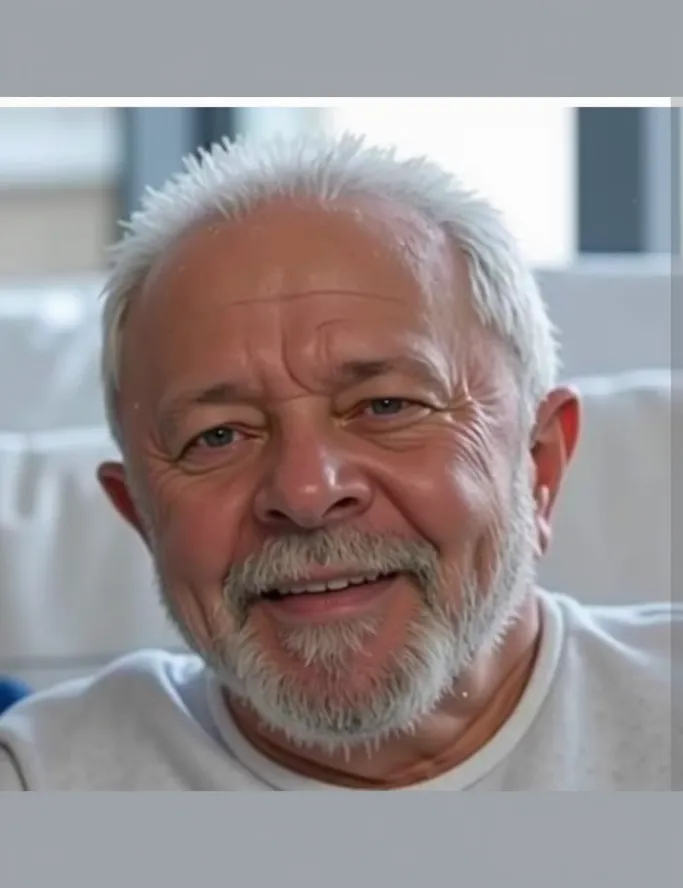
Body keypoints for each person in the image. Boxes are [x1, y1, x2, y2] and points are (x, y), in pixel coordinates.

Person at [0, 132, 678, 791]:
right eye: (218, 435)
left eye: (385, 406)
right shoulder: (40, 779)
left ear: (539, 464)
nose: (304, 491)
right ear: (141, 516)